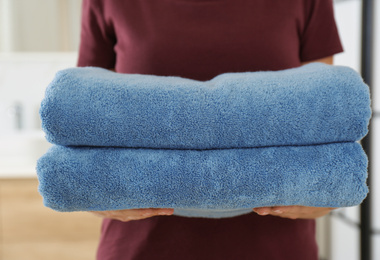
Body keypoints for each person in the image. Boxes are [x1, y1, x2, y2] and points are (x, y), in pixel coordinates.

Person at [77, 0, 343, 259]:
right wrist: (94, 193)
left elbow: (322, 119)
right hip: (140, 247)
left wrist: (324, 193)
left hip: (277, 248)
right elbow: (89, 122)